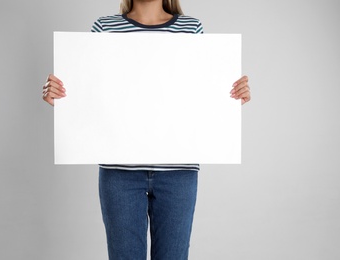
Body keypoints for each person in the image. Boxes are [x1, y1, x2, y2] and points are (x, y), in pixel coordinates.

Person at [42, 0, 251, 259]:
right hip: (119, 173)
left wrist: (230, 94)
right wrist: (60, 97)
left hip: (178, 171)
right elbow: (90, 94)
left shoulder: (190, 28)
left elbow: (198, 91)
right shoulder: (105, 27)